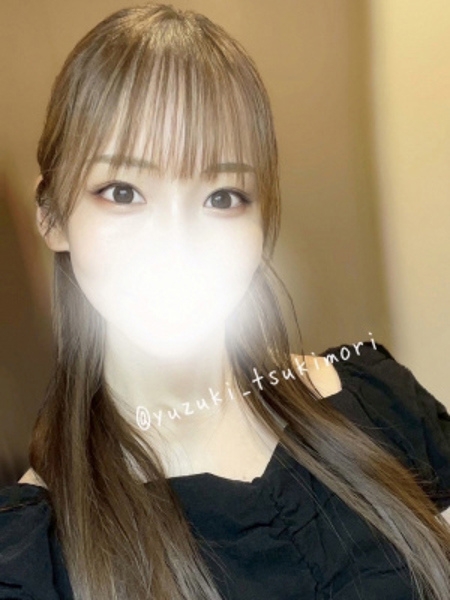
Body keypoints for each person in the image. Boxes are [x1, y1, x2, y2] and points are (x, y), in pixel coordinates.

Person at [1, 3, 450, 599]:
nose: (176, 243)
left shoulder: (382, 405)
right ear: (52, 214)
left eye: (222, 197)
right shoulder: (30, 561)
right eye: (123, 192)